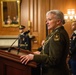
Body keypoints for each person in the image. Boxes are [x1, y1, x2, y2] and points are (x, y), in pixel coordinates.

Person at [20, 10, 70, 75]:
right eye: (47, 20)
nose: (47, 22)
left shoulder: (58, 35)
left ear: (58, 21)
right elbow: (51, 53)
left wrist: (34, 57)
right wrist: (40, 53)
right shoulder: (55, 33)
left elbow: (53, 60)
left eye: (49, 19)